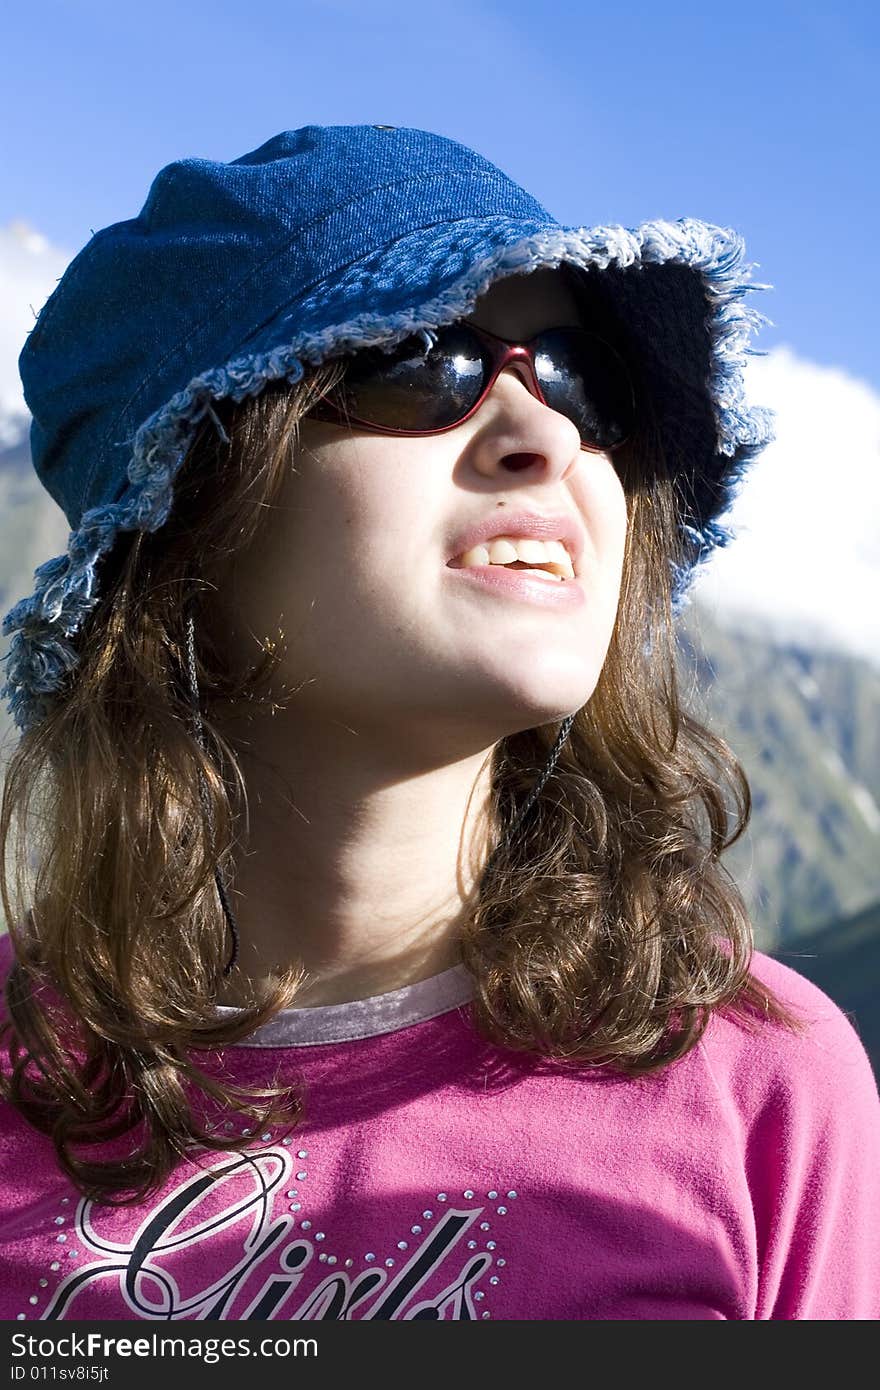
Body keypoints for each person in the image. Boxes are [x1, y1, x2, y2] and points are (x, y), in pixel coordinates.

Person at [0, 124, 877, 1323]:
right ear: (189, 501)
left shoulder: (757, 1084)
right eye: (424, 360)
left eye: (581, 380)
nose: (547, 435)